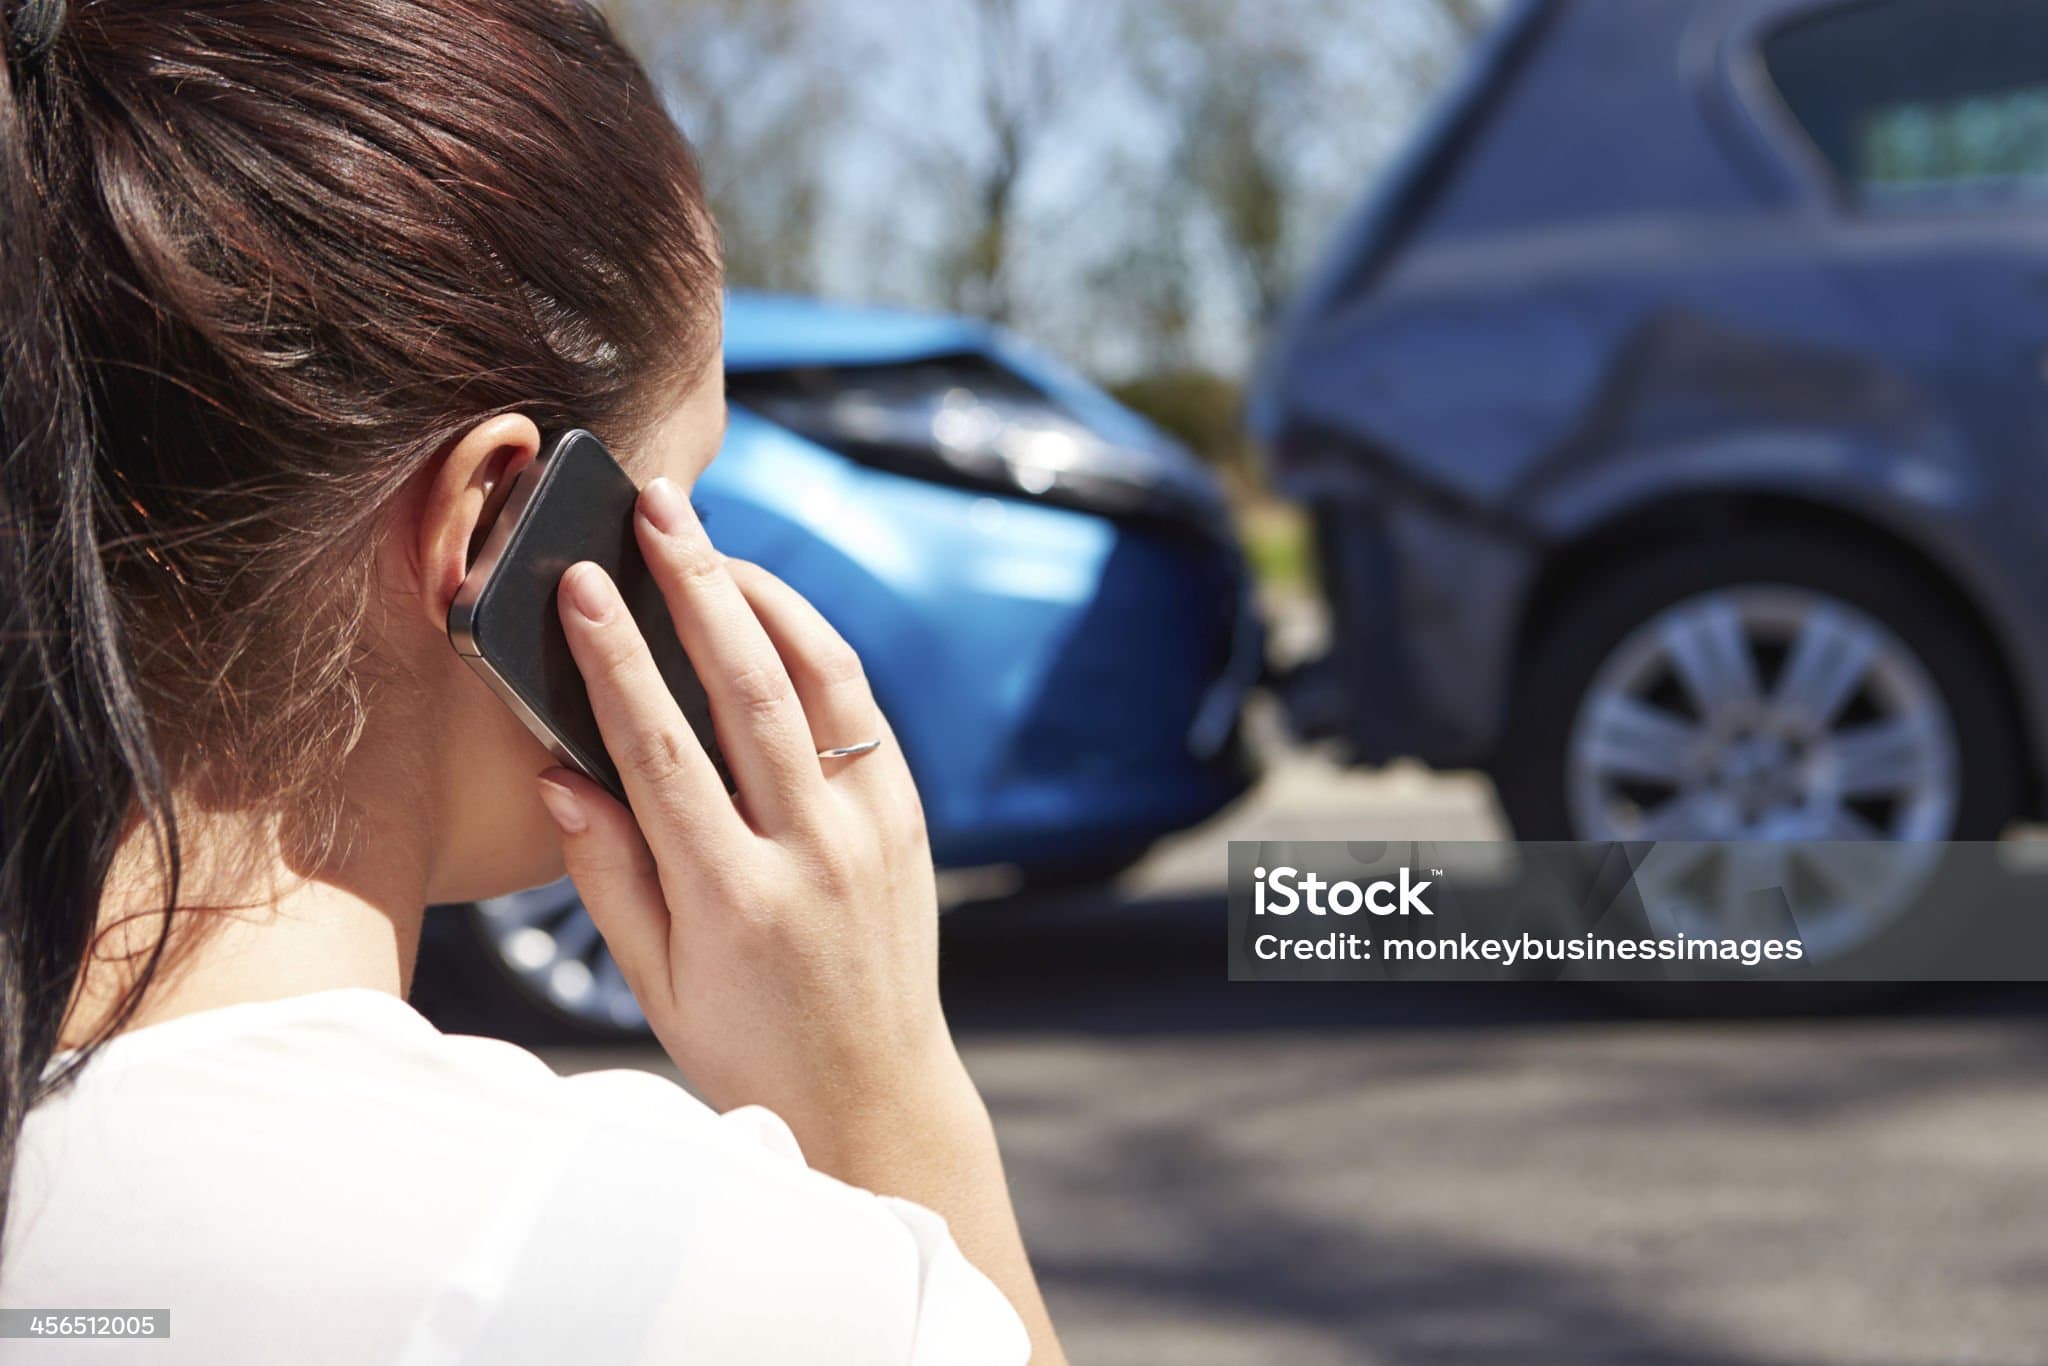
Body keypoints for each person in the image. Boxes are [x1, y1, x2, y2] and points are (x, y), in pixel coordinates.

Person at [0, 1, 1062, 1361]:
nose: (704, 578)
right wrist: (889, 1095)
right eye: (684, 497)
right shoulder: (679, 1272)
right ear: (499, 520)